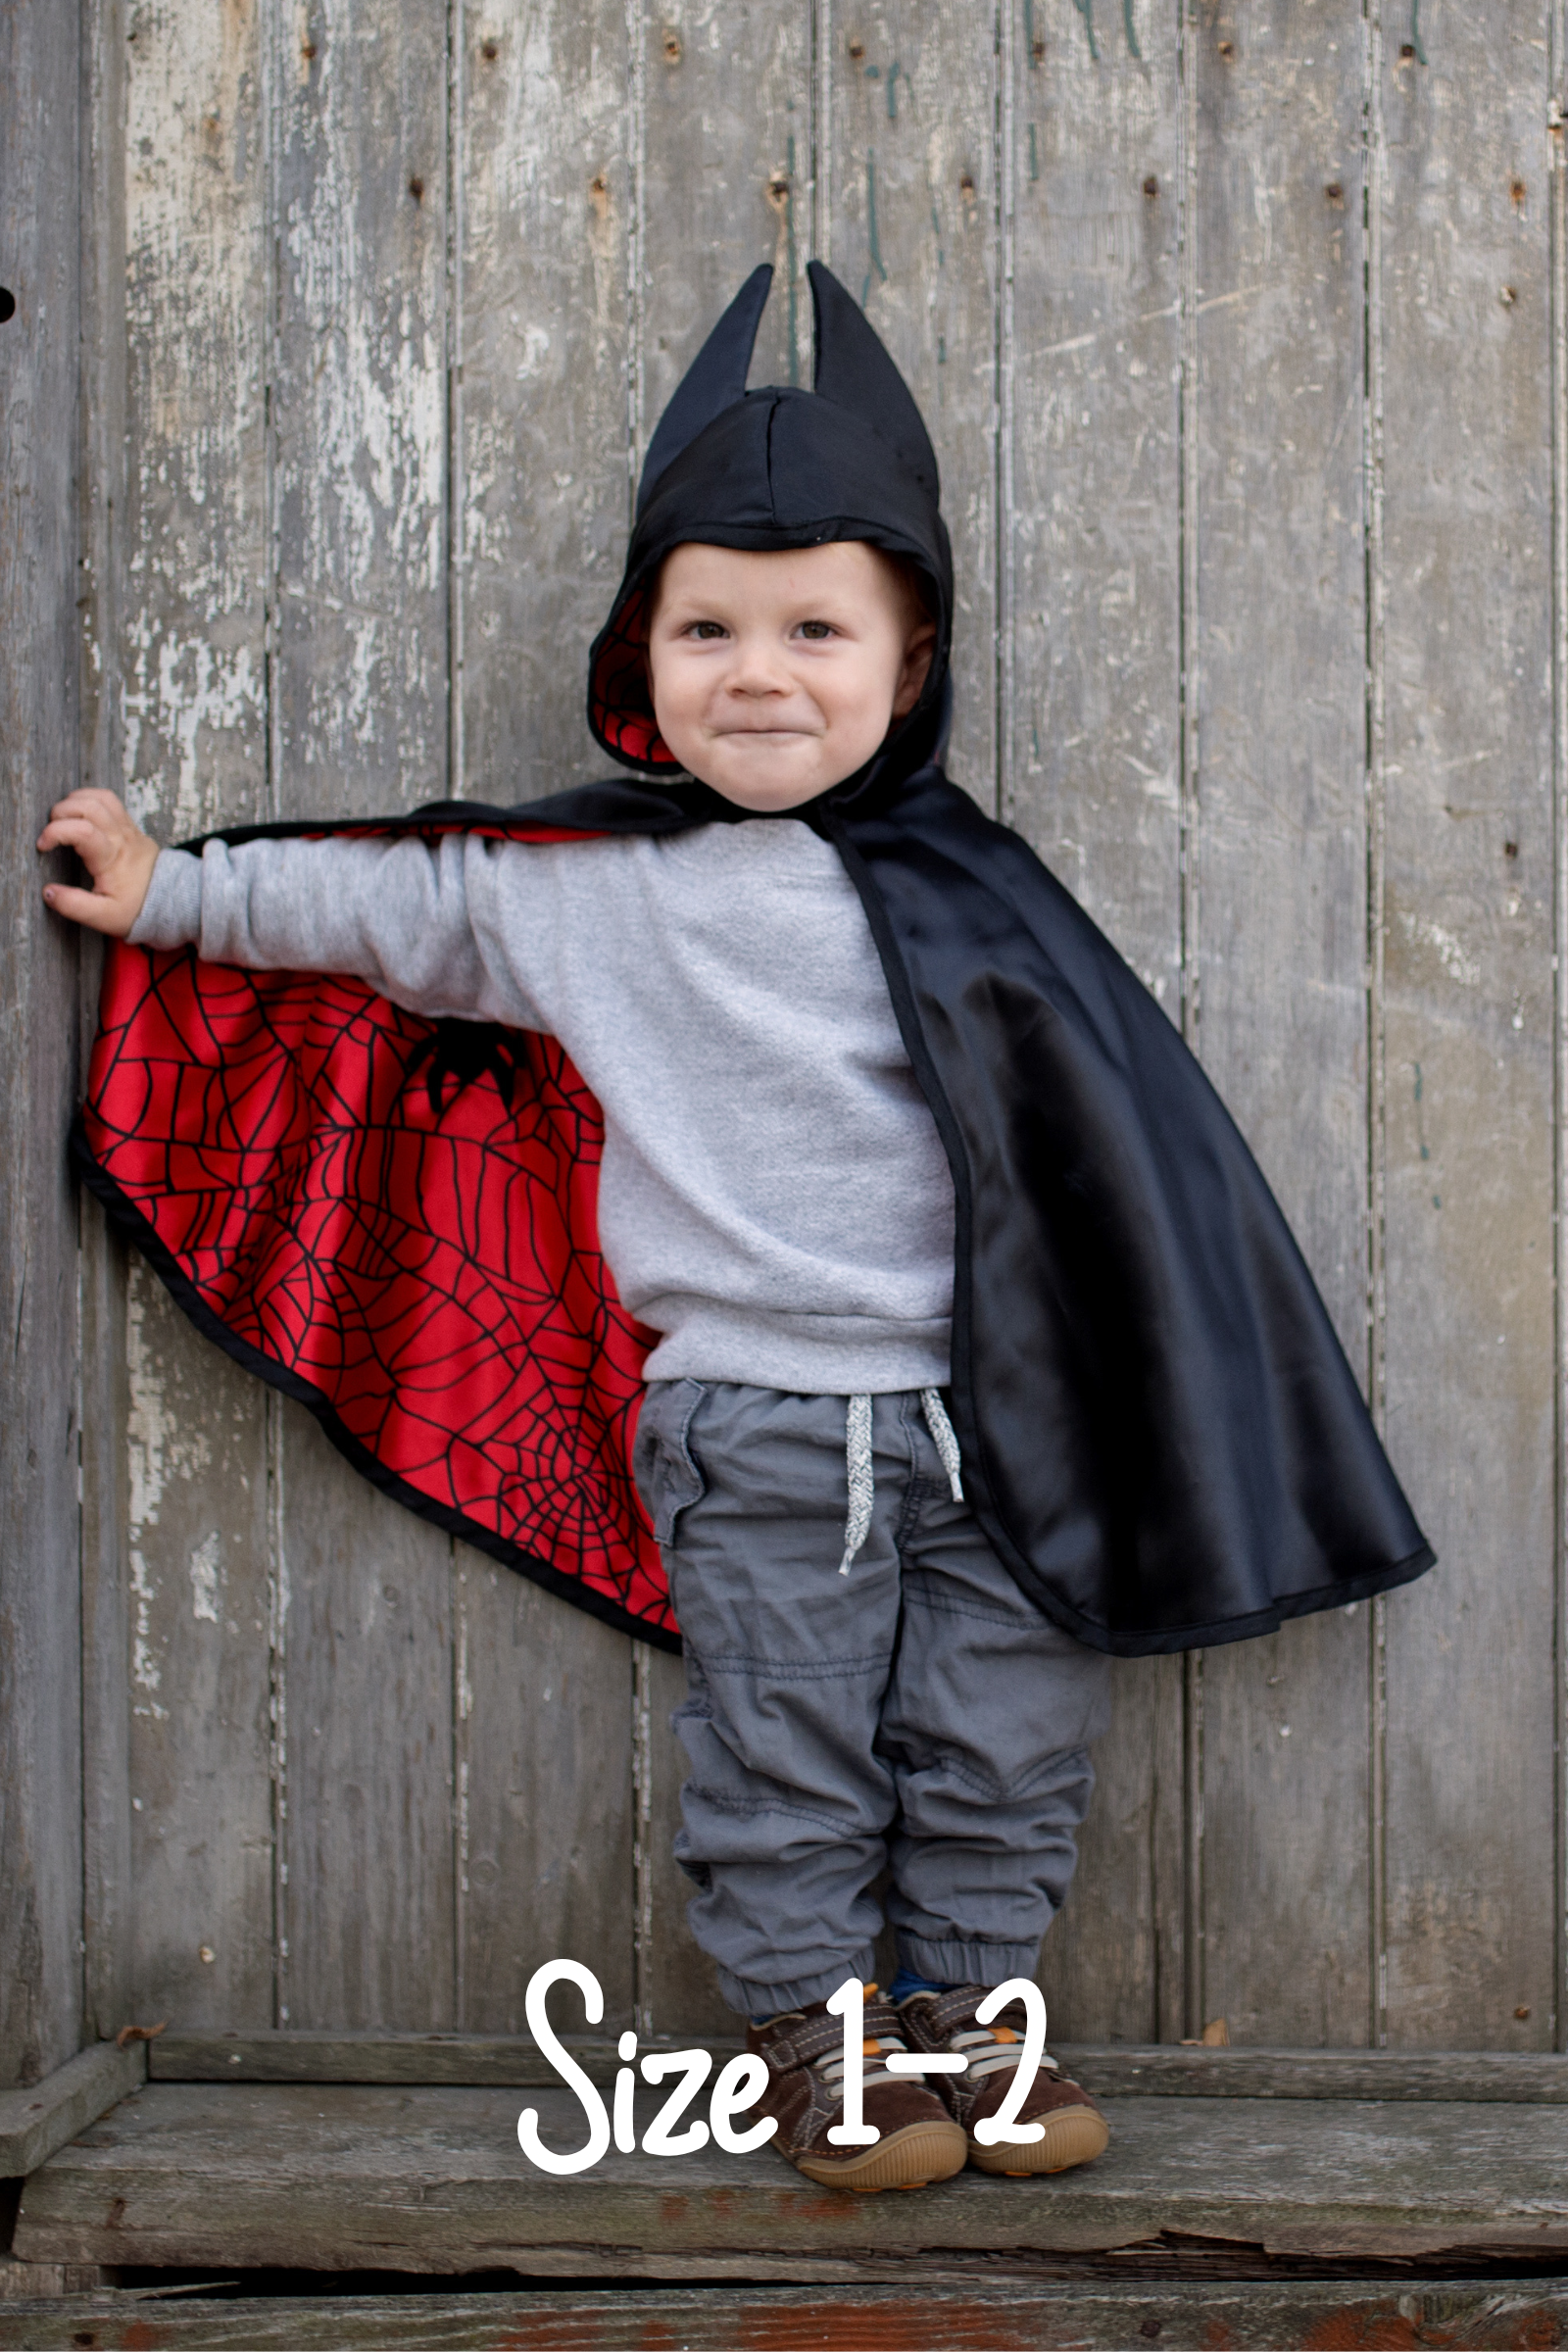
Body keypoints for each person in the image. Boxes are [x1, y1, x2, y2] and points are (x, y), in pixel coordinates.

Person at [41, 264, 1433, 2196]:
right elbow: (375, 909)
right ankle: (812, 2043)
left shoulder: (977, 889)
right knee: (784, 1747)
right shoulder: (583, 895)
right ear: (642, 652)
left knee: (1005, 1735)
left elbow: (1114, 1167)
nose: (757, 672)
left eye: (813, 628)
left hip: (1000, 1420)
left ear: (909, 661)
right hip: (755, 1425)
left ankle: (974, 2018)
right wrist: (175, 892)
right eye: (707, 627)